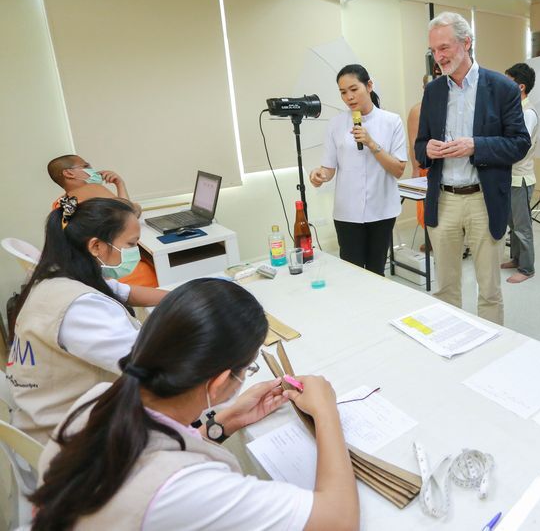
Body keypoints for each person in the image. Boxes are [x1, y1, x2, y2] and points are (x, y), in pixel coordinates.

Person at [29, 278, 358, 531]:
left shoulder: (97, 399)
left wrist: (225, 421)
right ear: (219, 381)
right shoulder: (182, 488)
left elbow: (146, 448)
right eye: (248, 369)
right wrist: (326, 411)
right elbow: (338, 520)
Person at [6, 196, 167, 443]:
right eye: (131, 244)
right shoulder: (81, 308)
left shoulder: (59, 274)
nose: (134, 251)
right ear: (96, 246)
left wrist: (185, 295)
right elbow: (149, 367)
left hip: (43, 411)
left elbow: (125, 292)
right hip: (72, 438)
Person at [414, 12, 530, 324]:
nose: (438, 57)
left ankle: (491, 348)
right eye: (433, 50)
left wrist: (476, 146)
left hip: (483, 199)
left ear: (467, 43)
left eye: (444, 47)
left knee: (489, 290)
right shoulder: (433, 91)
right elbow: (420, 145)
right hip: (444, 199)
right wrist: (427, 149)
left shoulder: (502, 88)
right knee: (446, 288)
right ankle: (451, 343)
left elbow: (520, 143)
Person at [309, 64, 407, 276]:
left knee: (376, 271)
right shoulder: (336, 124)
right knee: (351, 273)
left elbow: (399, 169)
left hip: (382, 210)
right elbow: (329, 168)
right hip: (347, 212)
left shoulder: (391, 121)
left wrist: (371, 144)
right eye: (343, 92)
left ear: (369, 85)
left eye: (354, 89)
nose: (349, 97)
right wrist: (320, 175)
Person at [47, 154, 158, 287]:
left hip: (91, 272)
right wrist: (120, 185)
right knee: (156, 269)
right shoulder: (92, 189)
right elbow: (129, 213)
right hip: (116, 269)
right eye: (86, 166)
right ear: (69, 173)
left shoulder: (62, 203)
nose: (93, 170)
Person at [501, 62, 539, 284]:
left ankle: (527, 268)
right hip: (511, 176)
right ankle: (516, 258)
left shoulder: (528, 113)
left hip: (521, 177)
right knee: (513, 224)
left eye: (508, 82)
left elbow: (517, 147)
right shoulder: (515, 110)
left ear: (520, 86)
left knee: (522, 226)